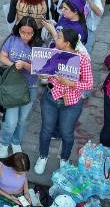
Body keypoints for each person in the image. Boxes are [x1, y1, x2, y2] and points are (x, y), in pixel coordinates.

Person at [34, 23, 95, 174]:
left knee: (67, 133)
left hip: (72, 103)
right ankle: (43, 156)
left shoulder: (82, 59)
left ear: (67, 43)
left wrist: (72, 83)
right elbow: (45, 74)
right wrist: (43, 75)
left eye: (59, 37)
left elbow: (89, 83)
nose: (56, 39)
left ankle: (64, 159)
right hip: (51, 97)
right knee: (46, 130)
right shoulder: (54, 52)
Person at [0, 16, 40, 157]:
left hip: (30, 87)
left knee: (22, 119)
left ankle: (16, 142)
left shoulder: (39, 45)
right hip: (13, 86)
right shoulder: (12, 39)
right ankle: (4, 143)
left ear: (35, 32)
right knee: (11, 121)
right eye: (23, 32)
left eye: (30, 33)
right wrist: (14, 66)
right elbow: (3, 56)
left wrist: (25, 65)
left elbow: (39, 69)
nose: (26, 36)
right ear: (18, 30)